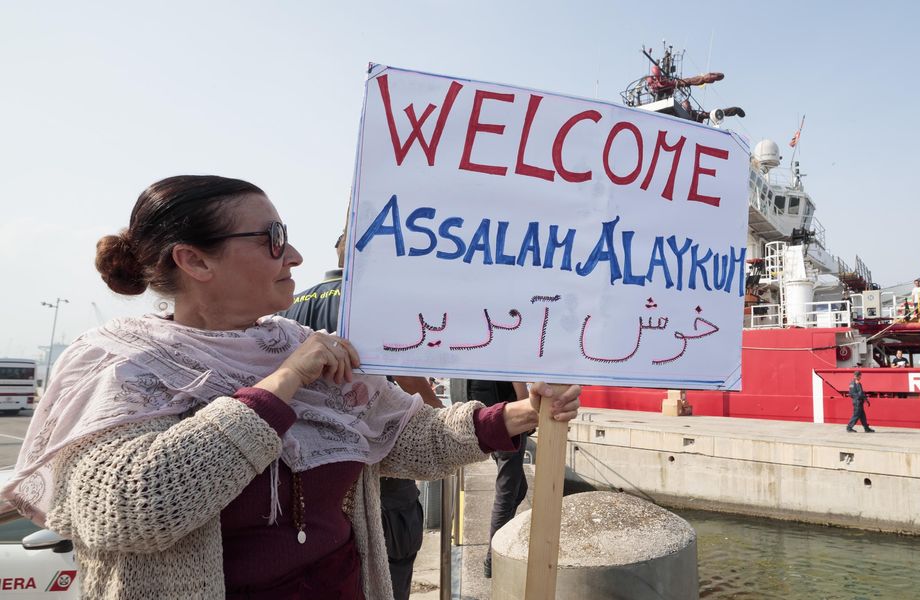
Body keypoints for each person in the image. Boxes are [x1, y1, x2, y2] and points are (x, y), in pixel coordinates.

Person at [0, 175, 580, 600]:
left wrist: (516, 416)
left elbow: (408, 435)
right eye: (272, 238)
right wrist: (279, 385)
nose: (295, 255)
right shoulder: (119, 363)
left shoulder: (296, 341)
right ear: (194, 261)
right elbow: (132, 509)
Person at [280, 230, 442, 600]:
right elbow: (415, 389)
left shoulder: (289, 309)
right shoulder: (377, 309)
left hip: (311, 476)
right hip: (380, 465)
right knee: (390, 565)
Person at [468, 380, 531, 579]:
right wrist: (530, 416)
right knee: (506, 494)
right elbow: (521, 391)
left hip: (490, 421)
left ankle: (501, 540)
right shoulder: (511, 356)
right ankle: (493, 558)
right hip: (509, 423)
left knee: (520, 488)